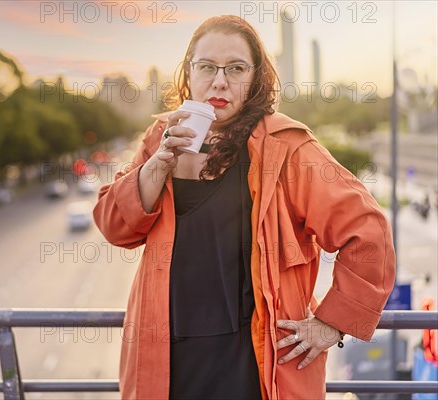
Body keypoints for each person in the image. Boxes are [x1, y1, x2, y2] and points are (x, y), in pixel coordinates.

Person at [93, 15, 396, 400]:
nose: (219, 81)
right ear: (189, 72)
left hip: (253, 361)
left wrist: (332, 323)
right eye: (206, 67)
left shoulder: (286, 148)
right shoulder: (160, 137)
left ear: (255, 78)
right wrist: (156, 165)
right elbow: (115, 227)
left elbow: (368, 230)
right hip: (167, 358)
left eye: (236, 68)